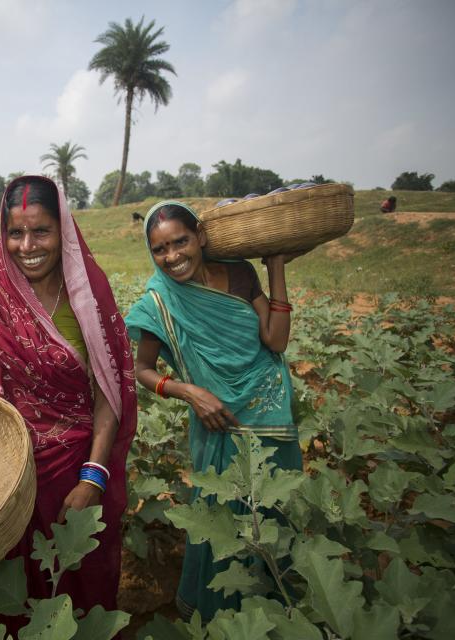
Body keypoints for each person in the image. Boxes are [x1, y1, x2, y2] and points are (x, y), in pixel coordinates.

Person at [0, 175, 137, 623]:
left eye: (41, 231)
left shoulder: (86, 297)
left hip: (73, 473)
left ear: (63, 231)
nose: (27, 245)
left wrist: (93, 477)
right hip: (6, 475)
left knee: (78, 583)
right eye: (16, 232)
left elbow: (108, 393)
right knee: (11, 593)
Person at [124, 201, 302, 623]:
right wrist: (190, 392)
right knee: (222, 521)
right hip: (215, 421)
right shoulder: (158, 301)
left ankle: (274, 617)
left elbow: (275, 342)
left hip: (268, 409)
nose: (172, 257)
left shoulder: (240, 273)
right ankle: (224, 620)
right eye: (160, 250)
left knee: (270, 513)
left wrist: (275, 267)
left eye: (180, 242)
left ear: (200, 236)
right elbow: (141, 370)